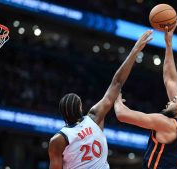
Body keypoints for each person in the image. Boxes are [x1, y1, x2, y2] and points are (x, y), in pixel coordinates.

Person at [48, 30, 153, 169]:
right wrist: (135, 50)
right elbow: (116, 82)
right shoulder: (94, 118)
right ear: (80, 107)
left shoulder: (58, 139)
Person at [114, 21, 177, 169]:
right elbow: (170, 80)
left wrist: (116, 98)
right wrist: (168, 43)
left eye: (174, 100)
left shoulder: (165, 123)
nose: (170, 101)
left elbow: (122, 115)